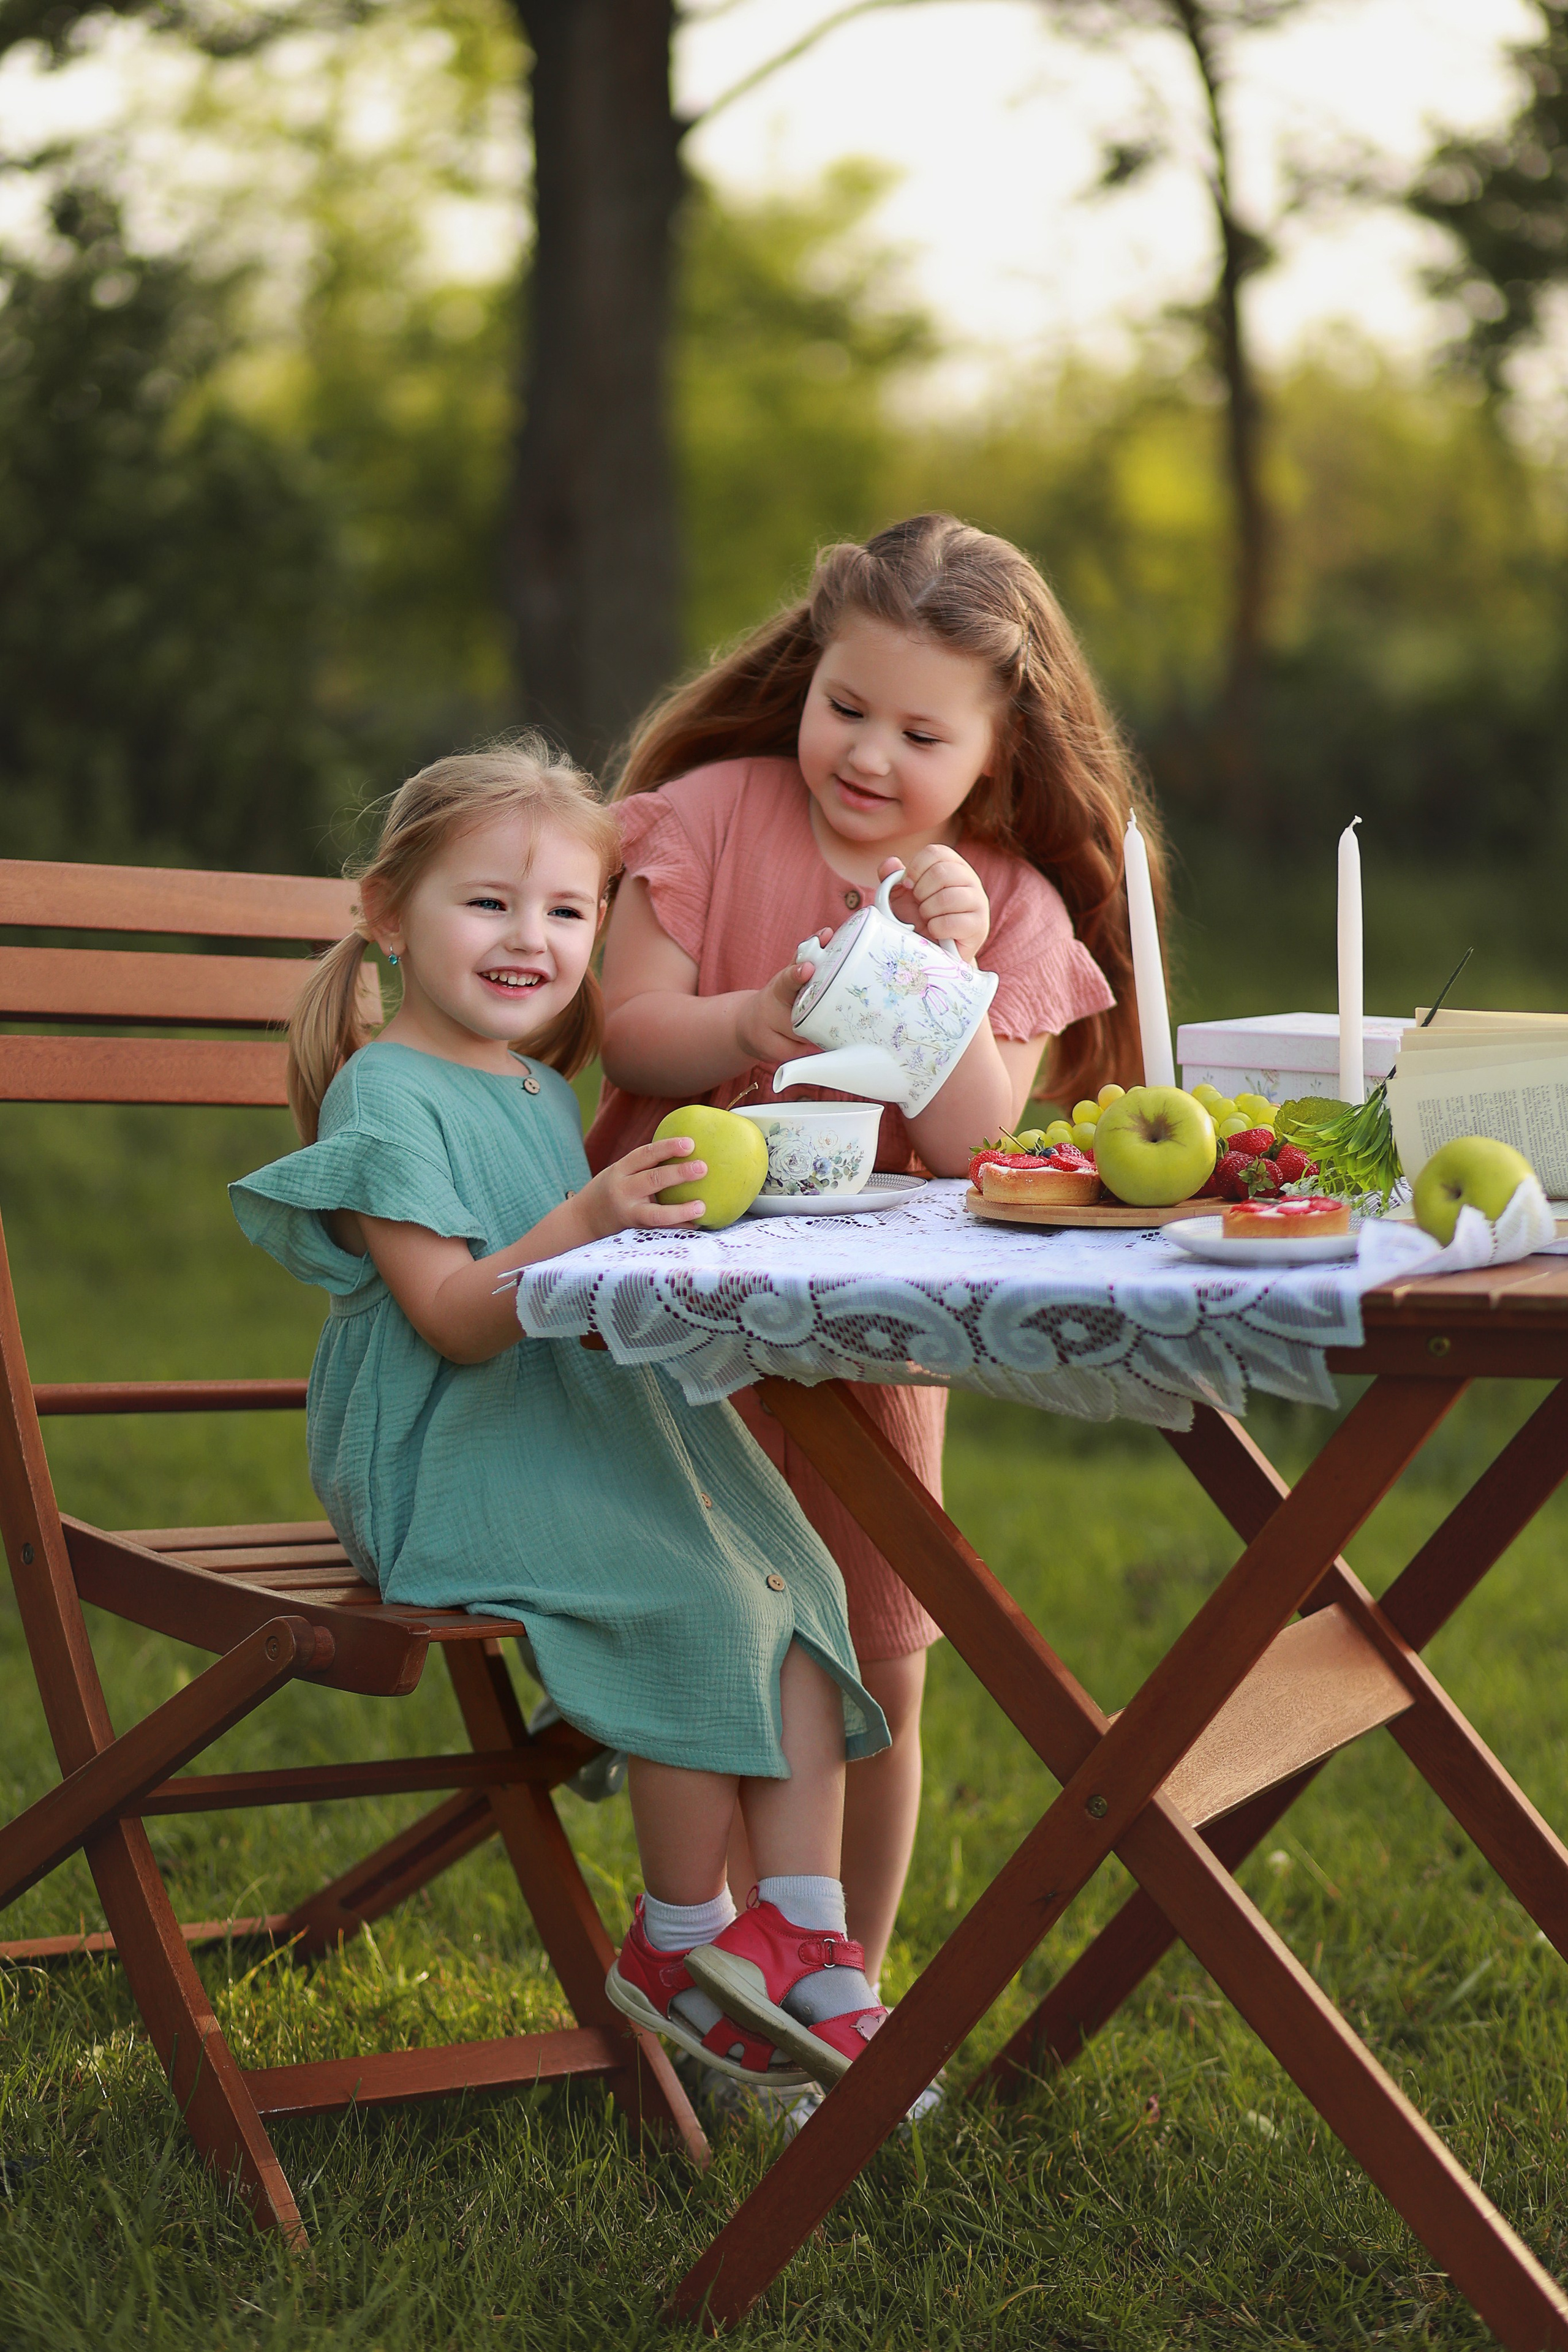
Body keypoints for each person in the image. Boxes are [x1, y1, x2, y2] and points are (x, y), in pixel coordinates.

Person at [230, 741, 895, 2090]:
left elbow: (565, 1273)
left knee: (793, 1576)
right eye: (487, 903)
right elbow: (455, 1318)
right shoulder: (383, 1094)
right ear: (386, 912)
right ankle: (676, 1942)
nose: (528, 938)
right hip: (438, 1453)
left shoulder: (537, 1088)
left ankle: (807, 1957)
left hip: (563, 1424)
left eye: (566, 912)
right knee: (696, 1599)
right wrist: (591, 1213)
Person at [588, 513, 1170, 1994]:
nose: (865, 755)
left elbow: (983, 1143)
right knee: (721, 1630)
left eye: (920, 733)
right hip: (677, 1305)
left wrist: (949, 975)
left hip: (867, 1338)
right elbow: (630, 1027)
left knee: (877, 1649)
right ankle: (727, 1983)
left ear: (996, 754)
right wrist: (744, 1026)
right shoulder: (712, 814)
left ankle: (845, 1988)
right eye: (843, 706)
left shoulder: (1007, 898)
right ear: (804, 673)